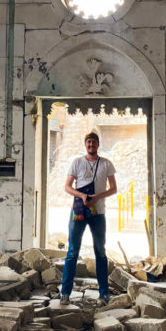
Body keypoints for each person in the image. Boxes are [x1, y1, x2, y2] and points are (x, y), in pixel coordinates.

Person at [60, 130, 117, 305]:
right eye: (88, 143)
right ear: (85, 145)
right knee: (72, 252)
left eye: (94, 142)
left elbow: (114, 188)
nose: (91, 145)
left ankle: (104, 293)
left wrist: (97, 198)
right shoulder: (77, 163)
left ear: (98, 145)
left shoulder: (106, 164)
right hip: (78, 211)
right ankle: (65, 293)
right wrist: (82, 196)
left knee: (100, 252)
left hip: (98, 213)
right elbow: (67, 187)